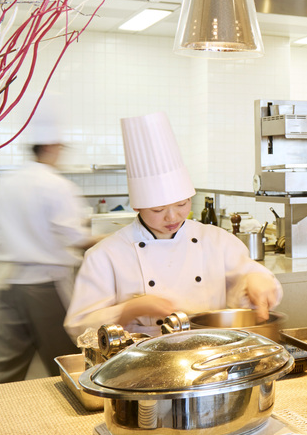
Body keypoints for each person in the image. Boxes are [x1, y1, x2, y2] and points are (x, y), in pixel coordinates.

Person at [65, 111, 280, 339]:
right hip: (140, 355)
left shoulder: (216, 240)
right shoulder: (105, 255)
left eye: (182, 204)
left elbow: (248, 277)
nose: (172, 217)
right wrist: (129, 310)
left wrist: (256, 281)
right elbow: (80, 328)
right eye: (158, 210)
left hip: (210, 348)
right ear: (137, 207)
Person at [0, 109, 98, 384]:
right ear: (49, 146)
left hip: (7, 284)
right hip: (44, 286)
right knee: (67, 361)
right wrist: (114, 239)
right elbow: (76, 238)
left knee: (4, 366)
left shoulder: (6, 182)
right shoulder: (56, 184)